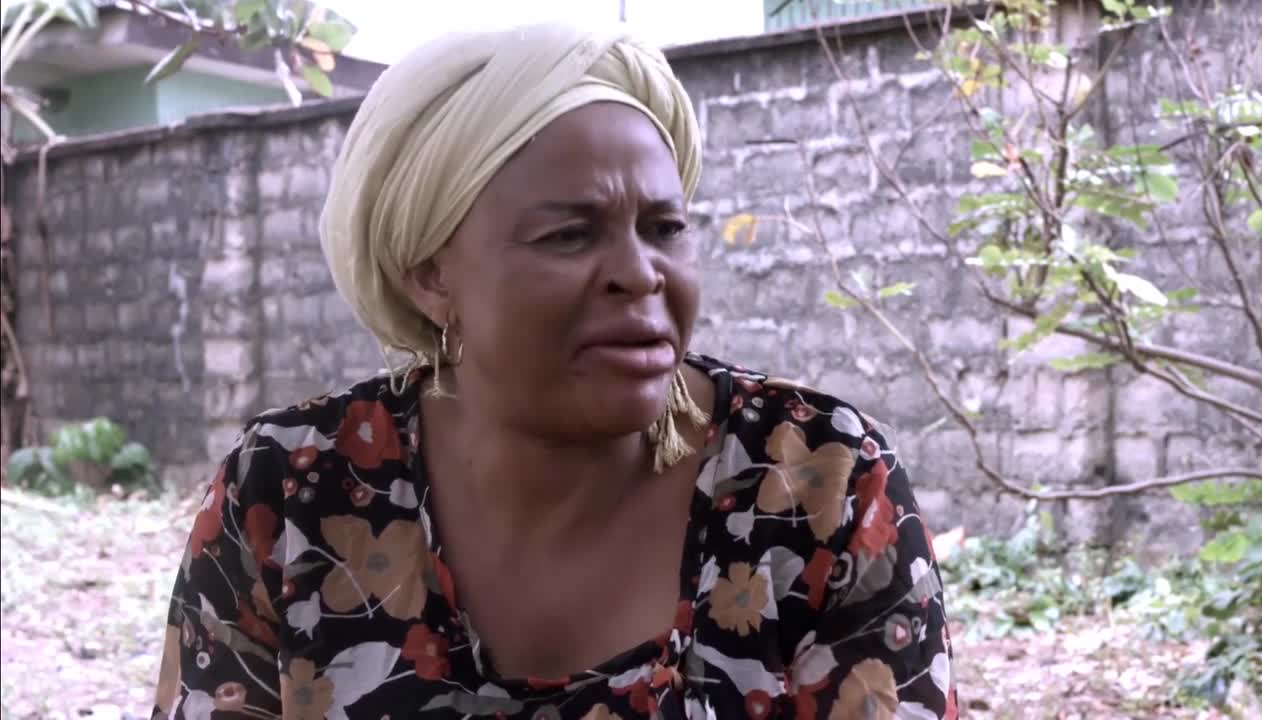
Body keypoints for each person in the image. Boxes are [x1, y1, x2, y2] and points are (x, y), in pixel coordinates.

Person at [152, 20, 955, 720]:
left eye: (664, 228)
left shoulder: (817, 485)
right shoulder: (292, 492)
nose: (639, 274)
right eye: (569, 235)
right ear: (429, 275)